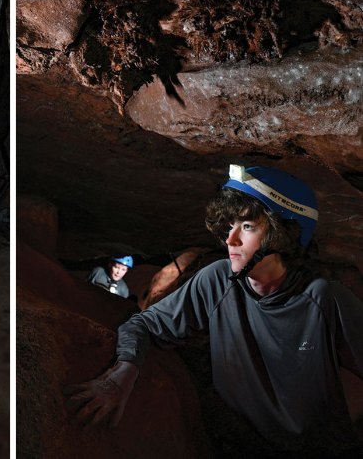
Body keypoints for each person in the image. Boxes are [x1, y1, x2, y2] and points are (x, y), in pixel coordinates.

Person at [66, 165, 363, 457]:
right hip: (239, 445)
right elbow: (143, 324)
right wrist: (124, 371)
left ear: (283, 234)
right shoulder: (219, 280)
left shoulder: (324, 300)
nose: (230, 239)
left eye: (247, 226)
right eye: (230, 225)